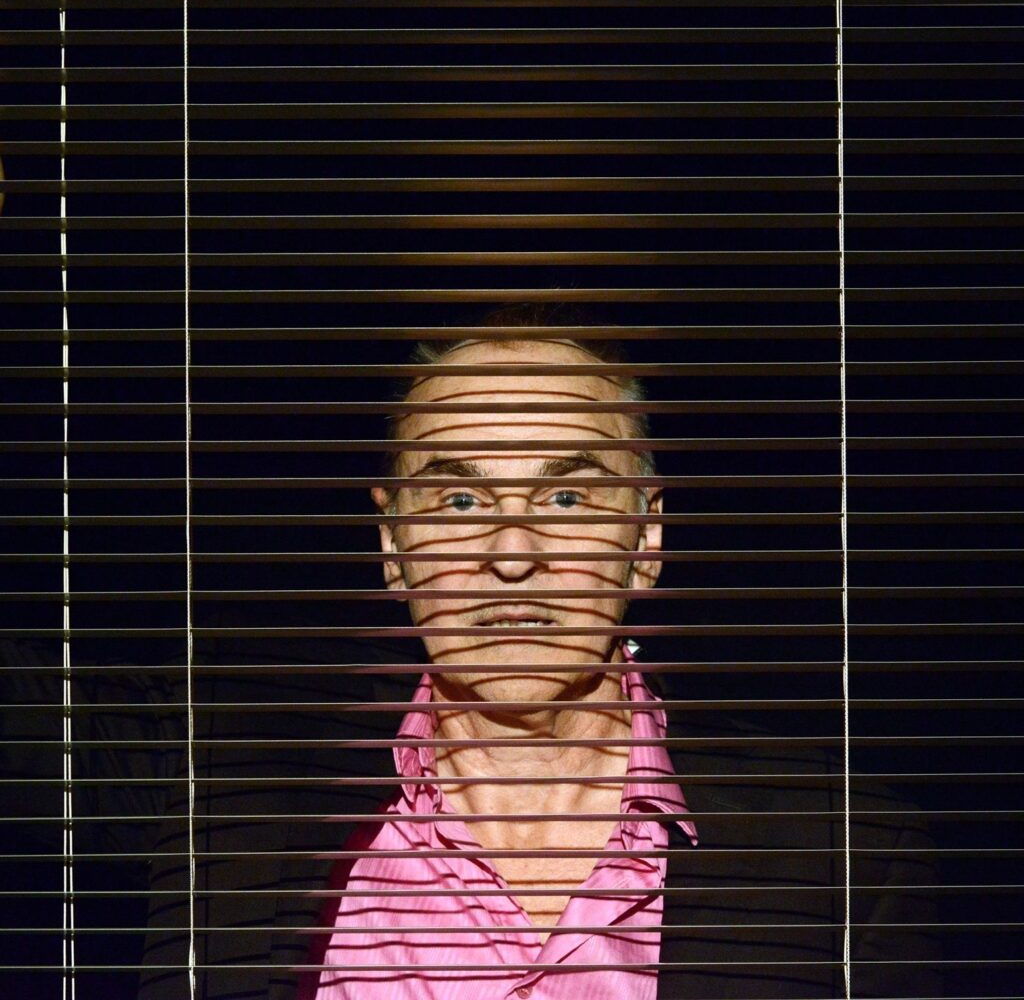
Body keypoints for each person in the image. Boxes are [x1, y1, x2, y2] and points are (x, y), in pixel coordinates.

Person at [3, 306, 942, 999]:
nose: (512, 552)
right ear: (393, 544)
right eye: (458, 501)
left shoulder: (844, 849)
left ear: (647, 540)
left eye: (568, 499)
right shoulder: (228, 770)